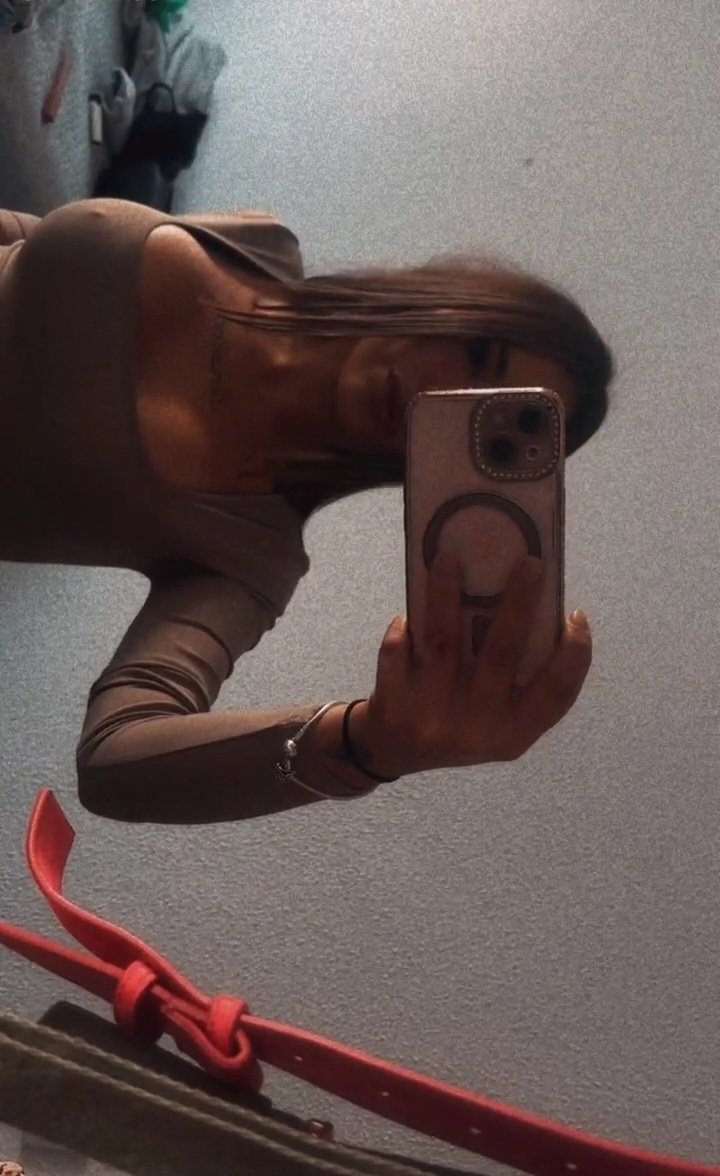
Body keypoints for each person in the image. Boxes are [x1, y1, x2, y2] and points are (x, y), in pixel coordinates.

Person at [0, 199, 611, 823]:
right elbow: (35, 246)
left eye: (479, 411)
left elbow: (112, 764)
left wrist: (363, 747)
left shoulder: (248, 551)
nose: (436, 393)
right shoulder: (260, 245)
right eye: (477, 353)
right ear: (454, 301)